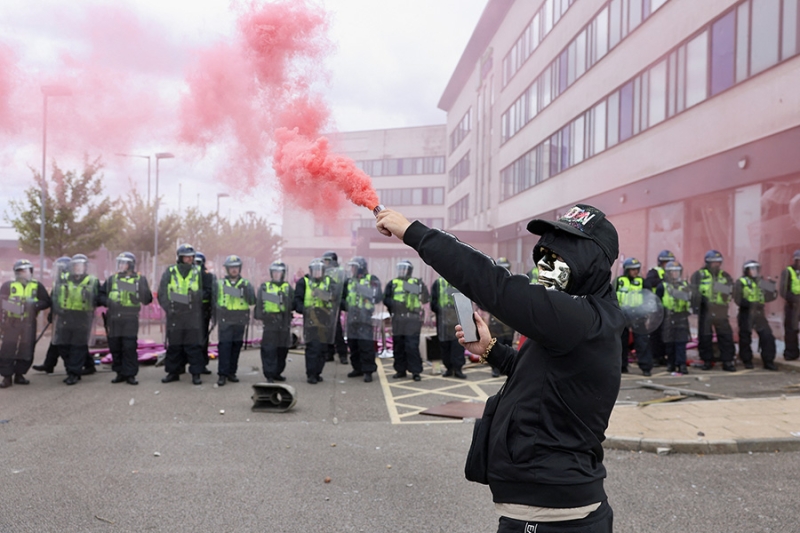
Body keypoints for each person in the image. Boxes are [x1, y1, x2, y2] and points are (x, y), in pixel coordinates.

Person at [376, 203, 622, 533]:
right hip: (549, 508)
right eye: (544, 253)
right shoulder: (574, 318)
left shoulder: (578, 318)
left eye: (561, 254)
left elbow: (495, 284)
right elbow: (543, 376)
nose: (545, 264)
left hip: (553, 517)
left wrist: (413, 232)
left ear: (589, 263)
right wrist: (491, 350)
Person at [97, 252, 153, 385]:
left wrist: (138, 295)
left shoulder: (140, 279)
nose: (121, 265)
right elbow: (100, 296)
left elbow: (147, 299)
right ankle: (119, 373)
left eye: (124, 263)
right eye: (120, 263)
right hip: (114, 317)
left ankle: (130, 374)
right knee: (115, 346)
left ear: (131, 265)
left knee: (129, 346)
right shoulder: (112, 279)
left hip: (130, 317)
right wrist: (109, 302)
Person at [158, 244, 207, 385]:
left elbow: (205, 291)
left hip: (192, 314)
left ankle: (196, 374)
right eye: (187, 257)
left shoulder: (198, 272)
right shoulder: (170, 271)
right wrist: (169, 308)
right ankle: (173, 373)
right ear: (180, 257)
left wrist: (197, 298)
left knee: (194, 346)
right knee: (174, 346)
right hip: (175, 314)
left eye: (191, 256)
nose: (190, 259)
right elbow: (162, 293)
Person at [0, 259, 52, 388]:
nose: (23, 274)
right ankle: (7, 377)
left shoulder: (37, 286)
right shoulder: (8, 285)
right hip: (12, 322)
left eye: (26, 271)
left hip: (29, 323)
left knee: (27, 349)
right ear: (15, 273)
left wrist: (34, 306)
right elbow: (1, 303)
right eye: (20, 271)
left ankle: (20, 374)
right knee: (8, 349)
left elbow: (46, 301)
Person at [52, 254, 100, 385]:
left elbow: (98, 297)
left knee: (77, 347)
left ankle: (73, 373)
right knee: (62, 345)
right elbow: (55, 295)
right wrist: (56, 309)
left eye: (80, 265)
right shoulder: (63, 279)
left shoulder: (92, 281)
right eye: (75, 265)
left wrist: (99, 300)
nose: (77, 268)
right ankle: (72, 369)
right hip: (65, 315)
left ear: (85, 267)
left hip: (82, 316)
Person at [383, 259, 429, 381]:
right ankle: (400, 370)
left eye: (404, 268)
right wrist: (395, 304)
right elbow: (386, 299)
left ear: (409, 270)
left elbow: (425, 298)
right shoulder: (392, 283)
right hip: (398, 318)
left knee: (412, 346)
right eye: (400, 268)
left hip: (412, 319)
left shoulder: (416, 283)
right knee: (399, 345)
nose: (402, 271)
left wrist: (417, 288)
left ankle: (415, 371)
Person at [690, 250, 736, 371]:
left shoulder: (725, 275)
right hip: (705, 308)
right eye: (714, 262)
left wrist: (720, 288)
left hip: (720, 308)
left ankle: (727, 361)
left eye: (718, 262)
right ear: (708, 263)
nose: (716, 265)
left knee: (725, 336)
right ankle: (706, 360)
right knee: (705, 336)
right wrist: (696, 306)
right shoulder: (698, 275)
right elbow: (694, 291)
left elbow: (731, 289)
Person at [214, 255, 256, 386]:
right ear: (227, 269)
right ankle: (222, 374)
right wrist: (218, 311)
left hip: (239, 318)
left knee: (236, 347)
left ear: (240, 268)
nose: (234, 270)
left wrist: (247, 292)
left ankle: (232, 372)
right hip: (225, 318)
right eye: (231, 267)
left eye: (236, 267)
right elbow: (213, 301)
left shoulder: (246, 283)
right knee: (224, 347)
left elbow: (252, 301)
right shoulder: (219, 283)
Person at [294, 258, 337, 384]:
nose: (317, 272)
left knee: (323, 348)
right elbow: (297, 300)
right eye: (315, 270)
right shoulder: (304, 282)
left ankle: (318, 372)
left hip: (325, 317)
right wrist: (303, 309)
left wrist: (320, 294)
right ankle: (311, 374)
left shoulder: (330, 281)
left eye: (320, 270)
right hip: (311, 317)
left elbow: (335, 297)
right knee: (313, 347)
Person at [342, 256, 382, 383]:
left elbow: (378, 296)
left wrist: (365, 291)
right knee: (353, 344)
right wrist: (346, 306)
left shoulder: (372, 279)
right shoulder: (348, 281)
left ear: (360, 268)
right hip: (352, 317)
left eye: (354, 267)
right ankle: (357, 368)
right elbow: (342, 298)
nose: (352, 269)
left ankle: (368, 371)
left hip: (364, 318)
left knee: (366, 345)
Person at [733, 260, 777, 370]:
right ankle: (747, 360)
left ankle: (768, 361)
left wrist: (772, 287)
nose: (754, 271)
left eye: (756, 269)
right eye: (751, 269)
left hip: (759, 313)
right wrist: (751, 304)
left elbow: (770, 297)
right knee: (745, 338)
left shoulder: (761, 281)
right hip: (746, 313)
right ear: (746, 270)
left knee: (767, 337)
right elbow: (737, 299)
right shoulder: (741, 282)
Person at [255, 261, 294, 383]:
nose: (277, 274)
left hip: (284, 322)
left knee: (282, 349)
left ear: (283, 274)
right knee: (269, 349)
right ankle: (269, 374)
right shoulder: (265, 287)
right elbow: (259, 304)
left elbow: (293, 304)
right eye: (275, 272)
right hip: (270, 321)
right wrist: (263, 316)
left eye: (280, 272)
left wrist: (284, 300)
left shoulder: (288, 288)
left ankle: (278, 372)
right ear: (271, 273)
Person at [32, 256, 71, 374]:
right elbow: (55, 299)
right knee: (55, 341)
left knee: (64, 342)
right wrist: (52, 313)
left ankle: (82, 365)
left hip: (69, 317)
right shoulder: (59, 282)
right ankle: (49, 364)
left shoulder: (69, 282)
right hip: (59, 315)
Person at [615, 257, 652, 376]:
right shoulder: (618, 281)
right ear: (626, 270)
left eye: (637, 269)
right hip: (622, 315)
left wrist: (647, 314)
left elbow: (649, 299)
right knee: (620, 342)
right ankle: (621, 366)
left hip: (638, 315)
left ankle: (646, 367)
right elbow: (611, 297)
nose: (635, 272)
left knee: (642, 342)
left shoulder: (643, 282)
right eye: (632, 269)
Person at [656, 261, 692, 374]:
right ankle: (671, 364)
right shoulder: (662, 286)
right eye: (673, 271)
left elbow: (691, 299)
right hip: (668, 317)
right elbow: (657, 302)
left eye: (677, 271)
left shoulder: (685, 285)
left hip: (681, 316)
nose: (675, 274)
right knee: (669, 343)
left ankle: (681, 364)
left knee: (681, 342)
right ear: (668, 273)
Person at [485, 257, 516, 377]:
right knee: (496, 345)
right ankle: (495, 368)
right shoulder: (492, 283)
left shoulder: (514, 282)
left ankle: (506, 368)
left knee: (508, 344)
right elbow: (482, 300)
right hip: (496, 321)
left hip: (509, 321)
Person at [644, 249, 676, 366]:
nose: (668, 264)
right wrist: (664, 280)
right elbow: (649, 282)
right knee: (656, 333)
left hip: (669, 307)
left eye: (670, 262)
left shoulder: (675, 272)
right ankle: (656, 357)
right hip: (656, 306)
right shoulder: (654, 272)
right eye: (666, 262)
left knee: (667, 333)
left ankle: (665, 356)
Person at [431, 275, 466, 378]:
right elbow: (433, 302)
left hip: (457, 317)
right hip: (443, 319)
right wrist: (442, 310)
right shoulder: (438, 283)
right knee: (444, 345)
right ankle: (449, 368)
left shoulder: (460, 281)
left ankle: (458, 368)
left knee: (458, 344)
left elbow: (465, 298)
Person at [322, 250, 348, 364]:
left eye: (327, 261)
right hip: (326, 302)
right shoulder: (324, 272)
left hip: (336, 302)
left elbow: (344, 287)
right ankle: (329, 353)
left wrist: (341, 301)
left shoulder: (341, 272)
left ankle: (343, 354)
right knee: (326, 330)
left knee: (337, 331)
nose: (325, 263)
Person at [195, 251, 215, 375]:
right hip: (188, 312)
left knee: (202, 340)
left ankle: (202, 365)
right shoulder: (186, 275)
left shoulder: (208, 276)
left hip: (203, 311)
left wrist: (195, 296)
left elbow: (210, 292)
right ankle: (181, 365)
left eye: (198, 262)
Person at [778, 249, 800, 361]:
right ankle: (791, 353)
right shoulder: (788, 271)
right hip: (793, 305)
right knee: (791, 330)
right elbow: (783, 290)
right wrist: (794, 299)